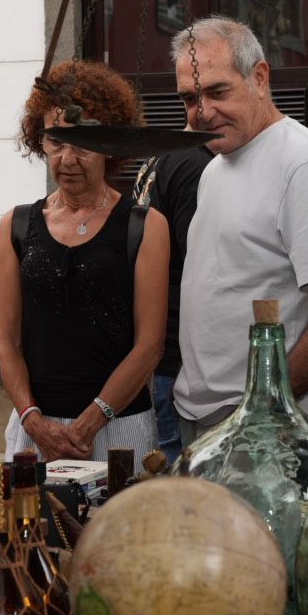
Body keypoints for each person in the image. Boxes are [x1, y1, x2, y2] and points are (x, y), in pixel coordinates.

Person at [170, 16, 308, 438]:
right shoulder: (215, 166)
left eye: (217, 91)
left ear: (259, 78)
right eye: (189, 98)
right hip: (202, 414)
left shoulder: (304, 162)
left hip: (265, 427)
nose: (202, 113)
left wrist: (263, 405)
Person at [0, 60, 169, 462]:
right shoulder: (15, 226)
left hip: (119, 428)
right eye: (57, 141)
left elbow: (149, 346)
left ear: (110, 145)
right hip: (35, 428)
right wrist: (33, 421)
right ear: (40, 140)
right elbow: (6, 338)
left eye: (84, 143)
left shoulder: (145, 226)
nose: (68, 159)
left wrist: (89, 422)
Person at [137, 142, 213, 464]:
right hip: (177, 361)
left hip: (160, 358)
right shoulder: (196, 167)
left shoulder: (159, 158)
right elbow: (200, 269)